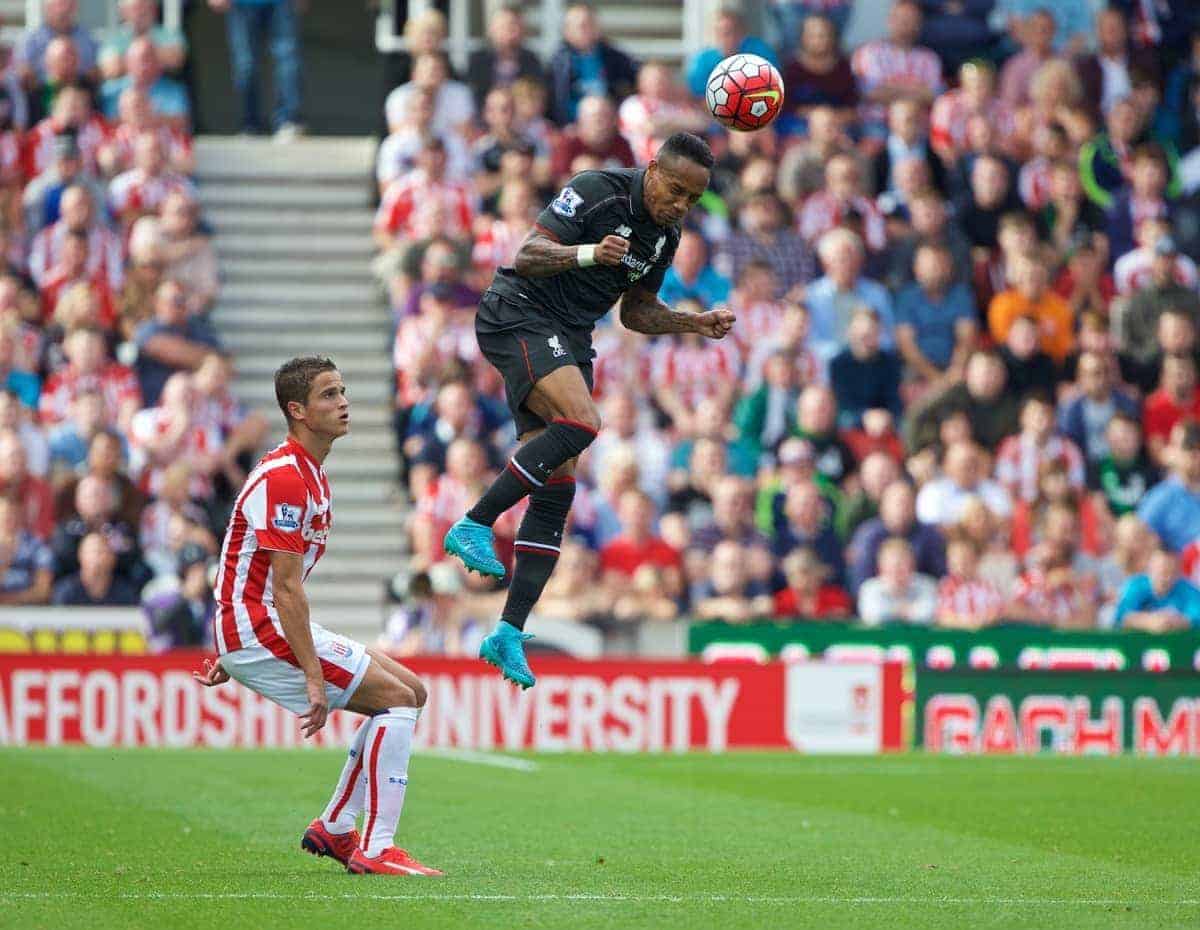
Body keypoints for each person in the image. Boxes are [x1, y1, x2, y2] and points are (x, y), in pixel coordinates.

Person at [441, 133, 734, 689]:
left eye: (692, 200)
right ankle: (475, 521)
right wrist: (586, 253)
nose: (679, 206)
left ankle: (507, 631)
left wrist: (690, 324)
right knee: (584, 423)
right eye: (674, 190)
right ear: (652, 170)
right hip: (519, 311)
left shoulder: (666, 235)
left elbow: (636, 313)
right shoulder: (596, 191)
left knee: (560, 484)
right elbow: (525, 255)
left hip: (570, 338)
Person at [192, 356, 441, 876]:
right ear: (297, 410)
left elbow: (248, 563)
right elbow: (283, 586)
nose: (343, 401)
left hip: (253, 627)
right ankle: (375, 849)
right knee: (396, 702)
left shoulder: (310, 474)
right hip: (261, 625)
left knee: (412, 692)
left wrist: (229, 649)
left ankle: (335, 825)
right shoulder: (286, 478)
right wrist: (305, 672)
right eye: (329, 394)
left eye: (343, 390)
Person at [207, 0, 302, 139]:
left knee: (287, 60)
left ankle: (287, 121)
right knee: (244, 66)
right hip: (241, 4)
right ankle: (250, 124)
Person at [547, 2, 638, 126]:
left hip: (610, 129)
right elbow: (554, 104)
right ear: (567, 31)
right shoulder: (556, 64)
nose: (587, 30)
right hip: (570, 130)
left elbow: (636, 85)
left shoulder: (617, 59)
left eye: (591, 24)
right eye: (581, 26)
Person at [685, 7, 778, 99]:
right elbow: (698, 99)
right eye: (718, 32)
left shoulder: (760, 54)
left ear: (742, 33)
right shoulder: (703, 61)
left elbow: (774, 90)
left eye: (728, 32)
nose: (723, 38)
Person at [1138, 422, 1200, 553]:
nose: (1196, 456)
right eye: (1189, 448)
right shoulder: (1160, 498)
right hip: (1179, 571)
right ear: (1173, 452)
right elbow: (1139, 542)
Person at [1114, 547, 1200, 631]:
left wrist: (1172, 623)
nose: (1167, 577)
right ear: (1150, 569)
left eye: (1173, 572)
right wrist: (1148, 621)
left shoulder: (1189, 590)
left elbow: (1196, 618)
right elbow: (1121, 616)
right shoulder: (1135, 586)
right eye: (1163, 571)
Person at [857, 537, 938, 626]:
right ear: (881, 567)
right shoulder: (869, 588)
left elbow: (929, 615)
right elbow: (872, 616)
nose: (897, 570)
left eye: (902, 565)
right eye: (892, 566)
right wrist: (905, 611)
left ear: (913, 565)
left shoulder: (927, 585)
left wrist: (891, 613)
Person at [51, 531, 140, 605]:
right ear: (80, 555)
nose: (98, 558)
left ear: (113, 558)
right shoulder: (66, 591)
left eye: (103, 551)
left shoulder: (125, 592)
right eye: (94, 551)